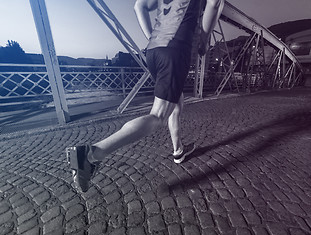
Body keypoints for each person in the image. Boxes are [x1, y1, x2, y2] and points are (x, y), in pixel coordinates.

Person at [67, 0, 225, 192]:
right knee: (158, 115)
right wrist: (204, 40)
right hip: (176, 50)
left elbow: (139, 6)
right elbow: (215, 4)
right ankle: (91, 154)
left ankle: (178, 150)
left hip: (154, 50)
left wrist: (152, 37)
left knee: (175, 102)